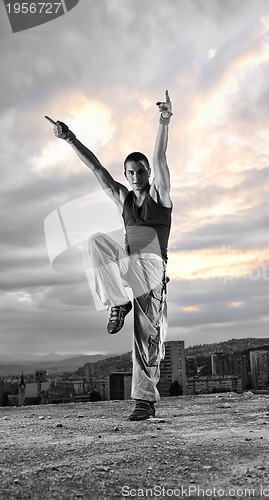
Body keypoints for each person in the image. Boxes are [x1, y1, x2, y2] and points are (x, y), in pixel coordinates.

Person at [45, 91, 173, 421]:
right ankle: (117, 301)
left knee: (145, 335)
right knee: (97, 242)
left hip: (153, 268)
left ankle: (144, 401)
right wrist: (69, 138)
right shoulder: (123, 198)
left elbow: (160, 158)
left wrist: (164, 121)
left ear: (147, 172)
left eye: (139, 171)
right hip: (130, 261)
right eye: (129, 173)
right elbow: (97, 169)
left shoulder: (160, 196)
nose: (134, 177)